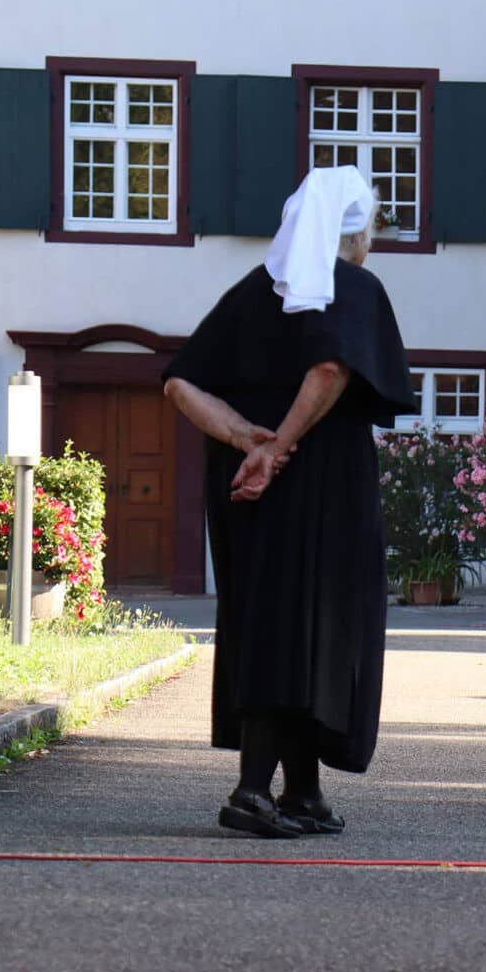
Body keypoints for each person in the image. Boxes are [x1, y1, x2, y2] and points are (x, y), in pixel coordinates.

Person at [162, 166, 416, 838]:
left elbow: (181, 384)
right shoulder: (354, 286)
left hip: (245, 481)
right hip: (322, 477)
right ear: (353, 233)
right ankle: (252, 791)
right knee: (313, 624)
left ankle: (302, 790)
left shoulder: (251, 291)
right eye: (372, 231)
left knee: (269, 618)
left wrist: (245, 437)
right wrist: (276, 449)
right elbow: (330, 370)